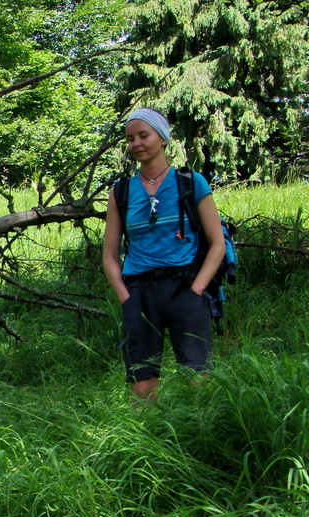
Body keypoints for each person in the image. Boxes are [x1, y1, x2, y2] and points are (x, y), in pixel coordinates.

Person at [102, 108, 226, 402]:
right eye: (130, 139)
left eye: (144, 135)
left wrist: (197, 290)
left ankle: (202, 438)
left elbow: (217, 243)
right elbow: (109, 255)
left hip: (186, 288)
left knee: (198, 376)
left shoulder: (190, 183)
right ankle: (148, 442)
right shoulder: (120, 192)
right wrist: (126, 299)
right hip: (139, 293)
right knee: (142, 382)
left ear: (163, 139)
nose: (136, 144)